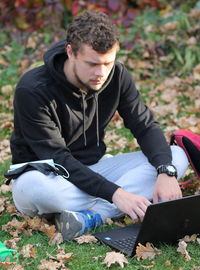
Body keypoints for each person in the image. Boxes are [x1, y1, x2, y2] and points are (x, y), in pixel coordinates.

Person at [9, 11, 188, 241]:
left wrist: (165, 170)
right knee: (38, 189)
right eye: (92, 64)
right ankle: (119, 203)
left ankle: (91, 217)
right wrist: (116, 193)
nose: (101, 73)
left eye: (108, 63)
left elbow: (144, 126)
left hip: (95, 169)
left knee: (175, 156)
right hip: (47, 177)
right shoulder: (33, 90)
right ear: (70, 52)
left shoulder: (117, 76)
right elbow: (58, 158)